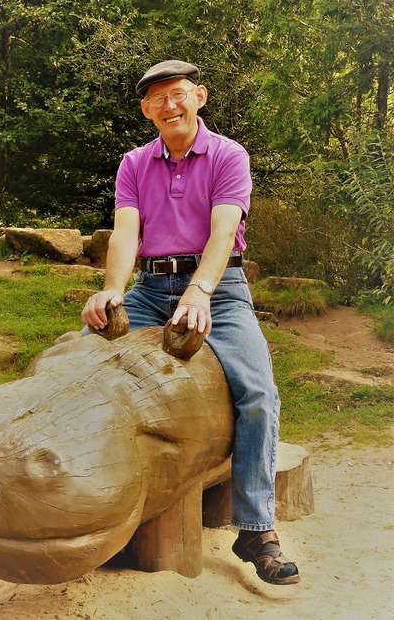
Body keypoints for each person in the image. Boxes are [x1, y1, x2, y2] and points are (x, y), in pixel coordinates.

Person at [81, 60, 299, 585]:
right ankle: (88, 499)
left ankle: (256, 529)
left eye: (177, 94)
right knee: (84, 359)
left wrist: (200, 290)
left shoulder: (229, 155)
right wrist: (112, 290)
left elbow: (223, 233)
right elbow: (126, 233)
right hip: (151, 289)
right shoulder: (134, 163)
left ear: (198, 96)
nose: (169, 105)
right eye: (157, 98)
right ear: (146, 109)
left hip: (219, 289)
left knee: (259, 393)